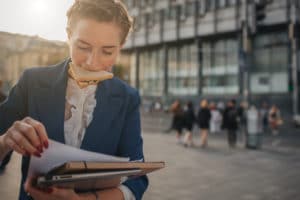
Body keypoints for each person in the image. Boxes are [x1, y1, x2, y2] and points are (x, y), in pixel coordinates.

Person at [0, 1, 148, 200]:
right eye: (83, 46)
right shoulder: (32, 82)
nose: (92, 62)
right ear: (69, 35)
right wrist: (5, 142)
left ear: (120, 47)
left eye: (107, 51)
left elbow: (136, 179)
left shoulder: (128, 98)